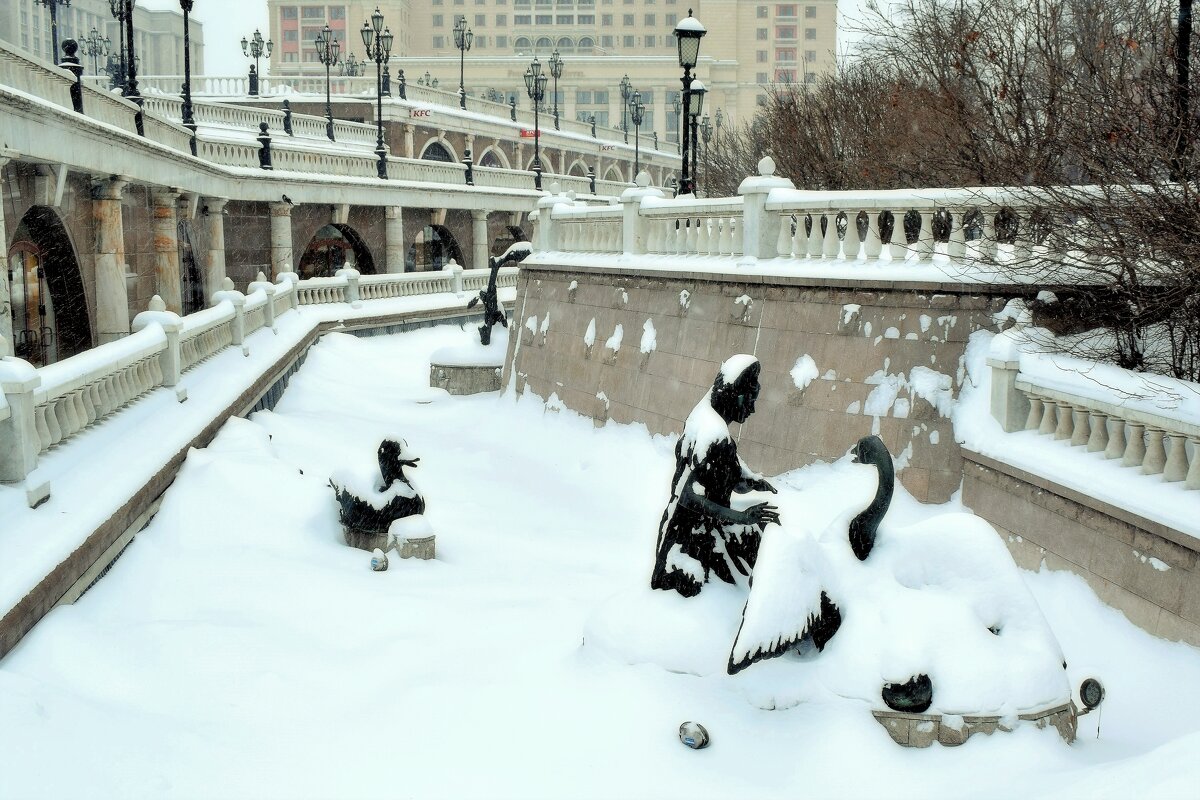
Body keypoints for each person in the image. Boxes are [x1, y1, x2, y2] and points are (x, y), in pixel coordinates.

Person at [651, 354, 781, 597]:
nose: (752, 409)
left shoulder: (704, 419)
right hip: (691, 543)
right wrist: (742, 517)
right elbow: (690, 498)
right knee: (760, 540)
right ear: (735, 395)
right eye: (750, 400)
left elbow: (721, 470)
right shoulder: (715, 435)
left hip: (690, 533)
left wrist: (751, 481)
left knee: (759, 534)